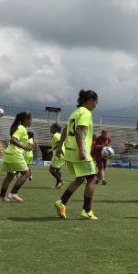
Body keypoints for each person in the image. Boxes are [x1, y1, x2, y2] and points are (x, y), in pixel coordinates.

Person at [53, 89, 99, 220]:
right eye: (96, 101)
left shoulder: (74, 113)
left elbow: (65, 130)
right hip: (79, 151)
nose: (96, 104)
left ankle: (61, 203)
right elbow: (78, 130)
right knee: (92, 178)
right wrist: (82, 150)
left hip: (70, 151)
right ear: (90, 100)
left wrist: (59, 146)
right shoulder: (86, 112)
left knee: (80, 179)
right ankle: (87, 210)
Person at [0, 112, 34, 202]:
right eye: (31, 119)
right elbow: (13, 139)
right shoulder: (22, 128)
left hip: (8, 153)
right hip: (15, 153)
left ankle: (2, 197)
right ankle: (14, 193)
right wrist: (25, 147)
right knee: (26, 174)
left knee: (9, 176)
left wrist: (28, 146)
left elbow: (17, 140)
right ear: (26, 120)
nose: (32, 121)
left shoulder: (19, 127)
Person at [48, 123, 65, 189]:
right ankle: (58, 184)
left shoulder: (56, 135)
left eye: (51, 127)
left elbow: (59, 144)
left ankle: (61, 181)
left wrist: (51, 149)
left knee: (51, 169)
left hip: (59, 154)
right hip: (62, 154)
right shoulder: (58, 135)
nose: (50, 128)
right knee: (57, 171)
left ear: (55, 128)